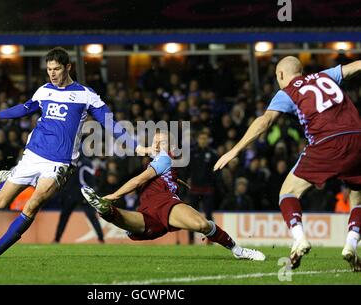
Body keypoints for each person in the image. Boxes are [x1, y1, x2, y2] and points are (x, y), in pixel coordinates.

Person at [0, 47, 143, 257]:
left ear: (68, 67)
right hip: (33, 155)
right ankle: (11, 174)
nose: (52, 74)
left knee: (32, 205)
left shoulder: (86, 95)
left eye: (56, 69)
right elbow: (25, 108)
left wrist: (136, 146)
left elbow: (109, 123)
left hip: (58, 163)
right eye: (49, 69)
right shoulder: (44, 90)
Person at [214, 56, 361, 271]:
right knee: (357, 195)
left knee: (288, 193)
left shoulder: (287, 92)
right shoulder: (325, 75)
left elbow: (264, 121)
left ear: (281, 75)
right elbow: (355, 67)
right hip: (357, 139)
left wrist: (235, 150)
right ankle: (351, 245)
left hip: (327, 142)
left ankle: (300, 239)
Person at [81, 130, 266, 261]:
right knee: (120, 218)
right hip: (148, 212)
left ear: (171, 146)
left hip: (165, 205)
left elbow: (137, 181)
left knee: (201, 225)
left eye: (162, 142)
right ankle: (102, 208)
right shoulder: (160, 162)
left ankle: (237, 249)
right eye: (155, 141)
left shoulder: (164, 158)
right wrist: (176, 182)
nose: (157, 144)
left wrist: (113, 195)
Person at [54, 154, 104, 243]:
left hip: (82, 194)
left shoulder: (86, 163)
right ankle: (57, 239)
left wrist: (89, 193)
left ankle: (101, 238)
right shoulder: (68, 161)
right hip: (70, 194)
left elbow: (90, 179)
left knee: (91, 216)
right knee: (64, 216)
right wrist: (63, 193)